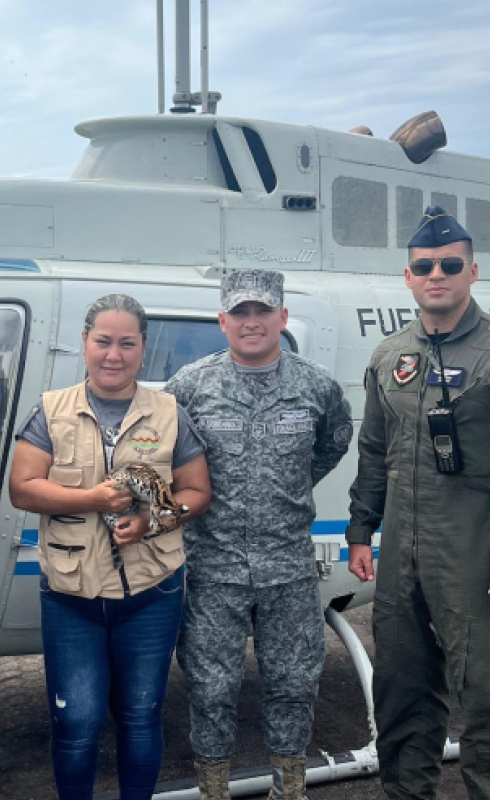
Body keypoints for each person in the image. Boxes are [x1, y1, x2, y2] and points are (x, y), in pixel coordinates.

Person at [345, 207, 490, 800]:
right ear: (408, 277)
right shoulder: (390, 355)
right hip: (400, 555)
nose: (436, 275)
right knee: (400, 696)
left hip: (474, 549)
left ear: (472, 271)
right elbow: (376, 451)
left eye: (450, 265)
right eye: (424, 266)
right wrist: (359, 532)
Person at [8, 294, 212, 800]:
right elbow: (22, 488)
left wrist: (153, 521)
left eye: (126, 343)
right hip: (71, 600)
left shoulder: (169, 414)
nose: (113, 354)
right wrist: (92, 499)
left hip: (152, 594)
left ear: (143, 348)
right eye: (103, 341)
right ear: (85, 344)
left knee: (141, 717)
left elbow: (198, 492)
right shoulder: (51, 411)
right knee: (75, 723)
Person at [164, 270, 353, 800]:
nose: (252, 322)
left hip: (288, 570)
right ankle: (214, 791)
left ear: (283, 318)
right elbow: (170, 456)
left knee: (294, 685)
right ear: (222, 321)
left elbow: (332, 444)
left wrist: (286, 488)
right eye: (240, 313)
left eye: (262, 311)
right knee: (211, 688)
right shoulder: (190, 387)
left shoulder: (316, 385)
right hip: (213, 571)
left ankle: (289, 790)